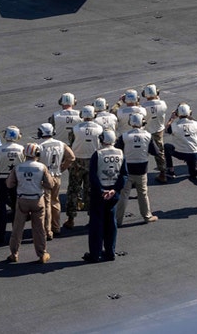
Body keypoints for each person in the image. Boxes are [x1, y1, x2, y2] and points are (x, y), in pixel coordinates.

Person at [6, 143, 55, 263]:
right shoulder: (42, 167)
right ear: (37, 154)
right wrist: (41, 184)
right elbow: (50, 185)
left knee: (17, 228)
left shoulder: (17, 167)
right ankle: (42, 254)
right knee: (39, 229)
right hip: (37, 200)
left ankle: (14, 253)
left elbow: (9, 184)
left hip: (22, 199)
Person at [84, 131, 126, 263]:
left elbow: (92, 176)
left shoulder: (98, 154)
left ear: (102, 140)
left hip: (99, 193)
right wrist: (114, 189)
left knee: (96, 224)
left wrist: (101, 190)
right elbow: (124, 174)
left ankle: (95, 254)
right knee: (111, 224)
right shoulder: (120, 153)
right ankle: (110, 252)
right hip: (113, 193)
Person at [115, 114, 159, 225]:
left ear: (130, 123)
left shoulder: (124, 136)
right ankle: (147, 216)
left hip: (127, 168)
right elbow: (156, 152)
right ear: (143, 122)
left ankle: (117, 219)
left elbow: (117, 150)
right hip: (142, 168)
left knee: (124, 194)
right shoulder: (148, 136)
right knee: (143, 193)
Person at [65, 104, 103, 230]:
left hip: (77, 161)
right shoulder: (99, 128)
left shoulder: (75, 128)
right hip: (93, 161)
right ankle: (92, 217)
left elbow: (71, 142)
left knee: (73, 190)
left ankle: (71, 218)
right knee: (91, 191)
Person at [35, 123, 74, 240]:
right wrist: (62, 167)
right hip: (57, 175)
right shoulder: (61, 144)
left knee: (46, 203)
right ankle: (56, 227)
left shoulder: (40, 146)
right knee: (55, 201)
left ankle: (47, 230)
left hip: (45, 177)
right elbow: (71, 157)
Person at [0, 126, 25, 244]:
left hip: (1, 178)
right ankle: (17, 232)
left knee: (1, 207)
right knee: (16, 207)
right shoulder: (21, 149)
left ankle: (0, 233)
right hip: (16, 179)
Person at [164, 103, 197, 184]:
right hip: (195, 153)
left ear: (178, 113)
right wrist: (190, 116)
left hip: (181, 153)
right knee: (192, 173)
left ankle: (170, 170)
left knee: (167, 146)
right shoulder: (195, 124)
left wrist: (171, 118)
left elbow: (166, 130)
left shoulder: (175, 126)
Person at [140, 85, 169, 182]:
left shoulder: (143, 107)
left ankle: (141, 176)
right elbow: (159, 102)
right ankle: (163, 173)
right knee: (160, 152)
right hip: (158, 130)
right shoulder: (163, 104)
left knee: (143, 153)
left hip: (146, 131)